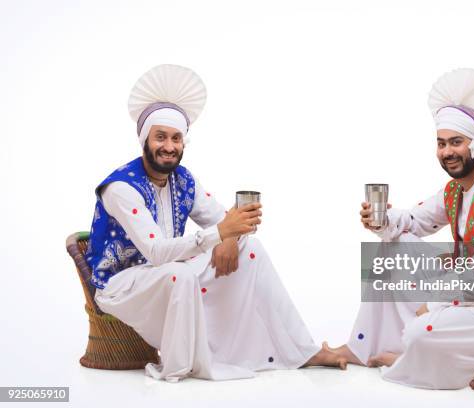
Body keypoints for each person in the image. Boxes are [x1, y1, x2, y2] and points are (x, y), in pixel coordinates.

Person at [85, 64, 346, 383]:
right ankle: (183, 365)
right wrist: (221, 233)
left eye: (176, 138)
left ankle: (302, 350)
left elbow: (222, 218)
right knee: (179, 273)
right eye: (160, 137)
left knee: (249, 247)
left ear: (184, 142)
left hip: (165, 271)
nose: (169, 146)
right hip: (121, 284)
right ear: (145, 140)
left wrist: (230, 236)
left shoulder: (182, 180)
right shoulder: (121, 188)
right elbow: (155, 252)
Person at [325, 68, 474, 389]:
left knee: (422, 331)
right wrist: (383, 222)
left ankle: (410, 354)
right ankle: (366, 345)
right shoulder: (457, 190)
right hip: (473, 292)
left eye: (456, 142)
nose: (447, 152)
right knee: (395, 244)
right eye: (441, 143)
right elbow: (414, 222)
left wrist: (432, 303)